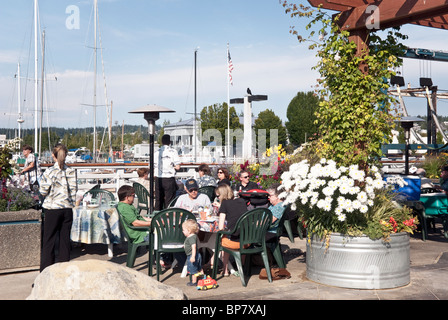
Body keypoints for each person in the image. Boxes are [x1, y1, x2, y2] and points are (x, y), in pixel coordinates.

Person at [39, 144, 76, 272]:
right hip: (67, 209)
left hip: (52, 209)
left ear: (53, 155)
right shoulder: (71, 171)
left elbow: (43, 191)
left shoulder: (50, 171)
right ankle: (63, 272)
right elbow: (74, 191)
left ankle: (45, 273)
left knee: (49, 242)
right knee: (65, 242)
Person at [215, 183, 248, 276]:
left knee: (223, 238)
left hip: (234, 242)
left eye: (218, 195)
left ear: (222, 195)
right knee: (239, 232)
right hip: (247, 241)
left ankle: (225, 270)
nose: (217, 197)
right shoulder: (241, 201)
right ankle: (241, 266)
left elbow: (221, 227)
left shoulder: (225, 203)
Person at [154, 134, 180, 210]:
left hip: (158, 178)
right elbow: (178, 167)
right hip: (169, 178)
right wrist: (172, 167)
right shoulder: (173, 151)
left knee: (158, 200)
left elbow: (151, 166)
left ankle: (157, 217)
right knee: (169, 200)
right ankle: (168, 217)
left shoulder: (156, 152)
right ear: (169, 142)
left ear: (162, 141)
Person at [182, 219, 204, 286]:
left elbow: (194, 247)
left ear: (189, 231)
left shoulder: (191, 238)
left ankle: (194, 282)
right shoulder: (192, 236)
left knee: (193, 269)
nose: (183, 231)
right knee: (199, 267)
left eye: (184, 230)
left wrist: (193, 256)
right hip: (197, 255)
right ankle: (203, 277)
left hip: (192, 255)